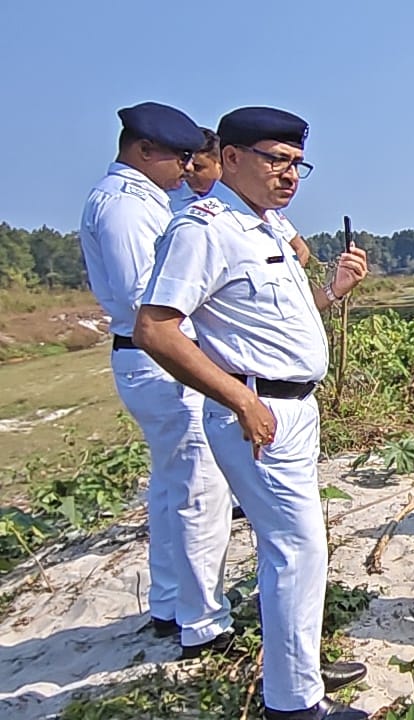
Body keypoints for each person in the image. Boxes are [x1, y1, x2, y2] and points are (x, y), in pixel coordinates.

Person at [135, 106, 369, 720]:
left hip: (292, 407)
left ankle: (299, 670)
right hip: (257, 411)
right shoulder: (204, 229)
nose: (289, 174)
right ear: (231, 158)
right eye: (275, 159)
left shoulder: (264, 229)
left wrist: (334, 290)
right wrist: (238, 398)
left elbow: (276, 325)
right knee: (298, 550)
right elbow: (156, 330)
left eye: (297, 164)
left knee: (293, 549)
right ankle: (293, 704)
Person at [78, 102, 235, 649]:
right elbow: (140, 298)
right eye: (181, 157)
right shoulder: (125, 207)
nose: (188, 169)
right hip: (163, 360)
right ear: (144, 151)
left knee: (173, 487)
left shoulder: (143, 200)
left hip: (155, 360)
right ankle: (203, 619)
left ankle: (170, 603)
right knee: (199, 489)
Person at [170, 128, 313, 266]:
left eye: (199, 167)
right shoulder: (174, 205)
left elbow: (300, 249)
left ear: (221, 163)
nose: (189, 171)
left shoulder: (264, 209)